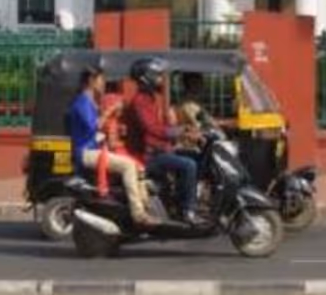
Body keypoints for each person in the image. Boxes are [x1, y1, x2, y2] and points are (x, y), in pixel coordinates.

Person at [65, 64, 156, 226]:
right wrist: (110, 110)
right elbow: (94, 126)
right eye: (101, 80)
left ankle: (147, 206)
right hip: (86, 152)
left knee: (137, 166)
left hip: (94, 148)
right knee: (128, 166)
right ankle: (138, 214)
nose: (103, 83)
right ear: (91, 81)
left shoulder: (90, 101)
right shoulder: (82, 102)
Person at [125, 57, 203, 225]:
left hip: (158, 149)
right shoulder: (140, 102)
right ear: (147, 78)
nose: (161, 79)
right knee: (189, 165)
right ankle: (187, 210)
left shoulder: (152, 99)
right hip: (147, 155)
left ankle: (185, 200)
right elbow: (152, 129)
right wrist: (180, 132)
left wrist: (186, 130)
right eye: (158, 76)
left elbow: (162, 126)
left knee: (197, 157)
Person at [176, 72, 216, 151]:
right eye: (199, 82)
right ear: (191, 84)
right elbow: (202, 125)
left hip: (196, 143)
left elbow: (208, 121)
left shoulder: (194, 103)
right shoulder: (189, 105)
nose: (202, 86)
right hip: (191, 146)